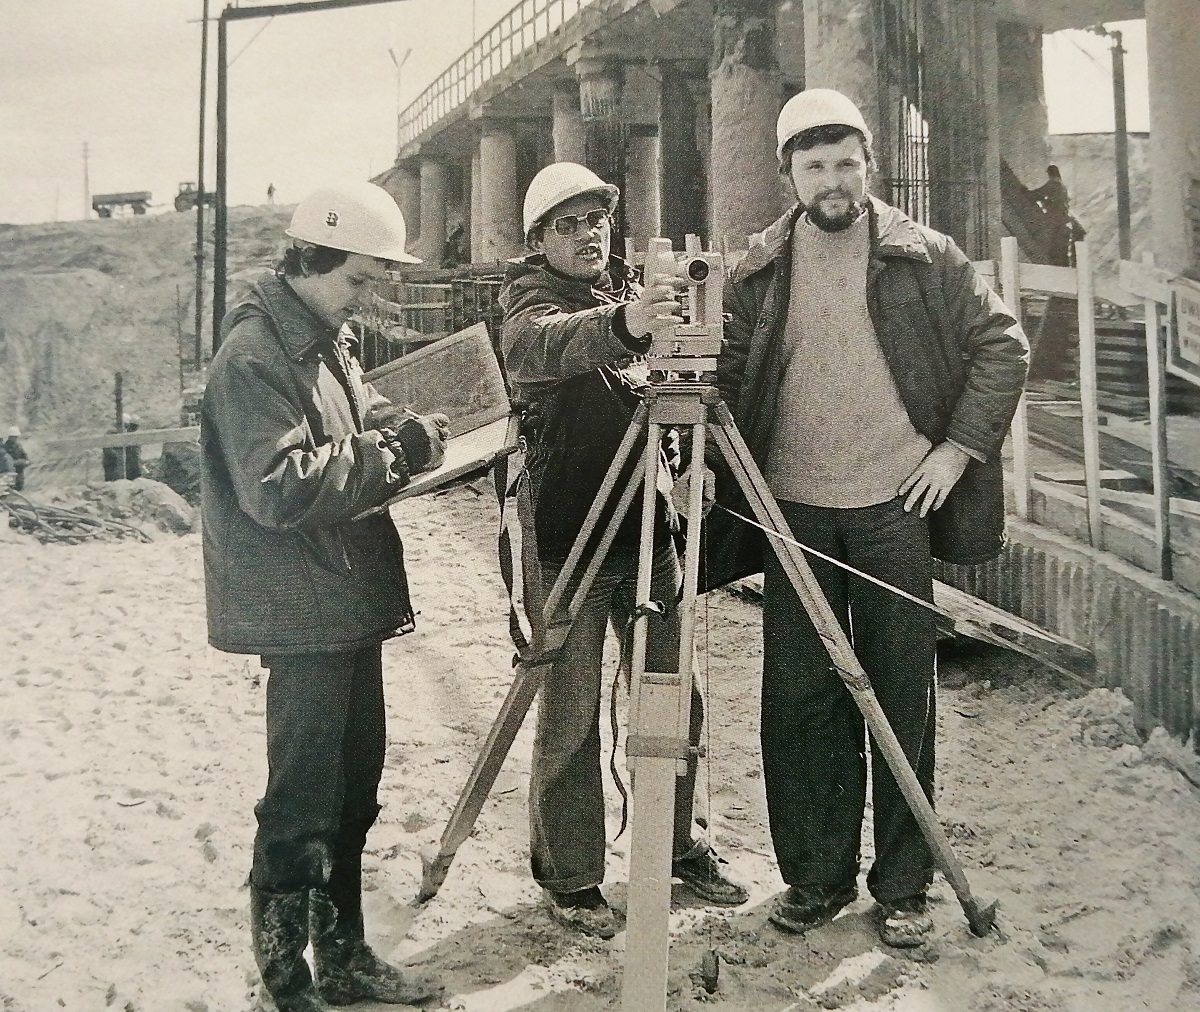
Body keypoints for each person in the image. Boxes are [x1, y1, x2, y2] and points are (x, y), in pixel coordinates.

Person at [713, 89, 1028, 948]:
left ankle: (903, 888)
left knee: (900, 698)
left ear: (869, 165)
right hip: (794, 517)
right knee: (803, 701)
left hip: (895, 509)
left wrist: (955, 449)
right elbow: (729, 378)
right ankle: (814, 880)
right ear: (789, 175)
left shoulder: (925, 257)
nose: (833, 179)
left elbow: (1004, 345)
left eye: (847, 162)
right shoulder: (757, 270)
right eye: (814, 165)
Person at [200, 180, 448, 1012]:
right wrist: (389, 457)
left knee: (353, 786)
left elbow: (357, 408)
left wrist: (415, 424)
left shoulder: (319, 334)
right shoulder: (254, 355)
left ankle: (343, 960)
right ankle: (287, 979)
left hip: (342, 598)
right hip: (298, 609)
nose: (367, 298)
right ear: (308, 262)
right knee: (302, 798)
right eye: (359, 280)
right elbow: (274, 486)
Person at [499, 161, 749, 940]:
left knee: (674, 694)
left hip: (648, 534)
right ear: (540, 241)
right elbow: (541, 347)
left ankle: (676, 845)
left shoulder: (628, 297)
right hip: (567, 542)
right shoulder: (531, 304)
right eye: (568, 225)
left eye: (596, 220)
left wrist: (695, 452)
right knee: (571, 715)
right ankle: (571, 876)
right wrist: (629, 325)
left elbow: (663, 396)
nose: (588, 235)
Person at [1030, 165, 1072, 266]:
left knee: (1053, 243)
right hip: (1062, 219)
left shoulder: (1053, 184)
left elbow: (1039, 193)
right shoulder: (1062, 186)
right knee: (1060, 246)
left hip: (1055, 219)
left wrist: (1026, 192)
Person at [102, 415, 143, 482]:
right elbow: (107, 449)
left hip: (129, 464)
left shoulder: (130, 435)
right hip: (113, 464)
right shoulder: (111, 433)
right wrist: (118, 455)